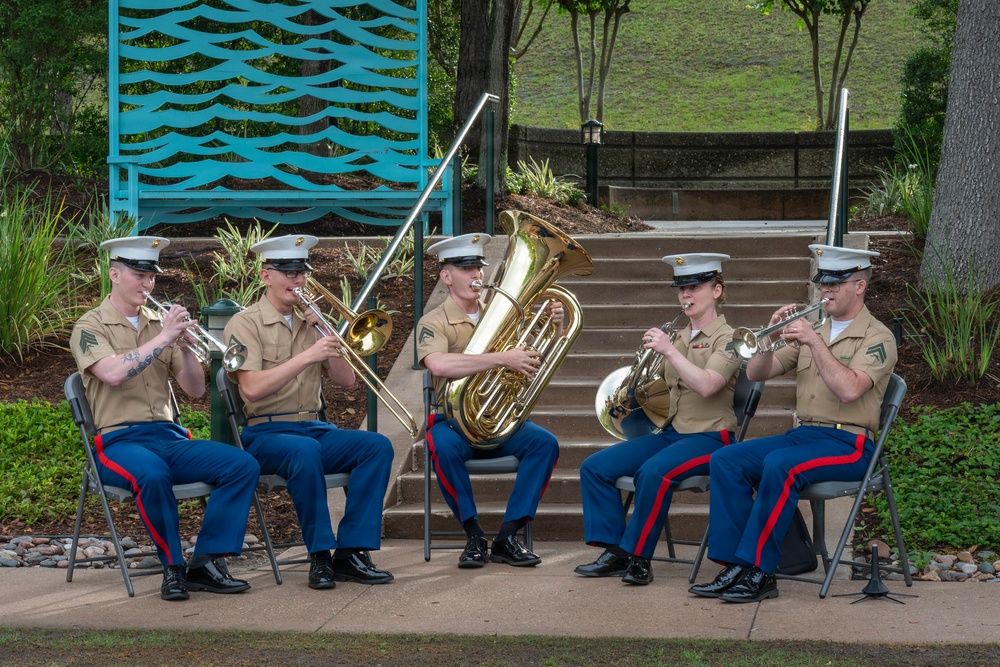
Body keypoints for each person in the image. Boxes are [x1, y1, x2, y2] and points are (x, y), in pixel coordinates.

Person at [689, 243, 898, 603]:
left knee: (779, 465)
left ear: (859, 286)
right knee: (726, 459)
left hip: (850, 444)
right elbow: (758, 371)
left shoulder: (877, 337)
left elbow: (849, 390)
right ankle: (734, 565)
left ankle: (759, 572)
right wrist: (767, 339)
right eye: (823, 283)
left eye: (835, 283)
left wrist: (815, 341)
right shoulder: (815, 327)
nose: (826, 291)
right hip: (804, 435)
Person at [70, 236, 261, 602]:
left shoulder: (160, 323)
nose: (147, 284)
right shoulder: (89, 327)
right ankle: (173, 567)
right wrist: (163, 338)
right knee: (153, 475)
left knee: (242, 465)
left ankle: (206, 562)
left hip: (169, 437)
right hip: (117, 442)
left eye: (151, 277)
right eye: (139, 275)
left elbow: (194, 391)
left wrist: (187, 348)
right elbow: (111, 373)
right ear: (114, 274)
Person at [224, 234, 395, 590]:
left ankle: (351, 552)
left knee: (375, 446)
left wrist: (323, 328)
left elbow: (347, 380)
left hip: (314, 429)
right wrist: (307, 355)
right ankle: (320, 554)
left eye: (302, 272)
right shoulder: (245, 323)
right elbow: (251, 388)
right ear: (265, 275)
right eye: (288, 272)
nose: (298, 280)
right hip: (265, 433)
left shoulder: (310, 321)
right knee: (304, 451)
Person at [575, 253, 742, 585]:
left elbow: (708, 385)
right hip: (672, 433)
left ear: (717, 291)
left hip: (711, 437)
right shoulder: (678, 337)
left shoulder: (732, 338)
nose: (686, 295)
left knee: (651, 472)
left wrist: (669, 351)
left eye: (695, 287)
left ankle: (639, 558)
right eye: (681, 289)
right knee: (594, 467)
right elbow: (658, 388)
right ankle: (617, 551)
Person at [417, 233, 561, 569]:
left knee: (545, 444)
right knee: (442, 447)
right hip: (454, 422)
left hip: (497, 419)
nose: (475, 275)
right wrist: (500, 358)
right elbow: (439, 364)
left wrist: (553, 329)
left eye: (478, 268)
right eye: (465, 268)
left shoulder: (504, 314)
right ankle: (473, 536)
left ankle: (508, 537)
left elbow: (529, 359)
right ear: (446, 276)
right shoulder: (433, 321)